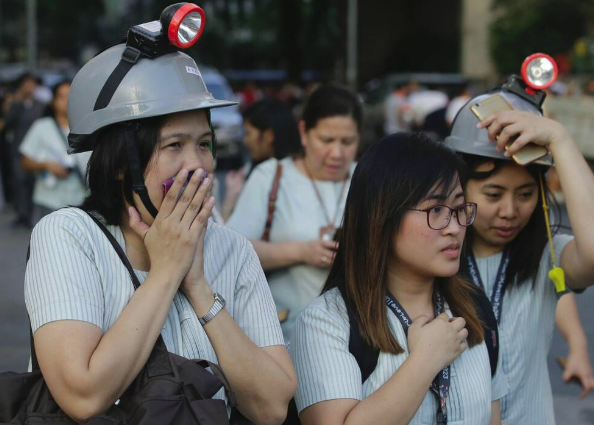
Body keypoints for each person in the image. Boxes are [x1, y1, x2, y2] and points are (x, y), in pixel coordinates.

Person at [24, 36, 296, 423]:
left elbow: (272, 407)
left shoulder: (233, 249)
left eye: (204, 144)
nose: (197, 164)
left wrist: (199, 289)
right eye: (174, 146)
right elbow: (82, 395)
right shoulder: (68, 235)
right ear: (121, 163)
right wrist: (167, 272)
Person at [290, 133, 506, 425]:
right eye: (436, 210)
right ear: (382, 217)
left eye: (459, 208)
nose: (454, 227)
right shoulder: (326, 322)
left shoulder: (474, 309)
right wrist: (425, 361)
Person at [445, 83, 594, 424]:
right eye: (494, 194)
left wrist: (561, 140)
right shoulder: (432, 254)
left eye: (526, 194)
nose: (510, 211)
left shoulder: (548, 253)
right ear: (458, 187)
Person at [226, 84, 361, 341]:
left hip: (356, 336)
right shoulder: (272, 176)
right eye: (326, 140)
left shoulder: (368, 177)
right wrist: (300, 252)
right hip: (283, 334)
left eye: (347, 142)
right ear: (304, 133)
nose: (337, 153)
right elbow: (232, 249)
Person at [20, 80, 91, 225]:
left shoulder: (89, 128)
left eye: (70, 96)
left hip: (83, 202)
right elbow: (25, 162)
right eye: (61, 97)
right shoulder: (42, 127)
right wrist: (46, 165)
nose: (66, 101)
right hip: (49, 201)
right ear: (53, 101)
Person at [222, 98, 301, 221]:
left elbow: (235, 232)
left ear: (269, 136)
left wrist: (229, 202)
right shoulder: (303, 171)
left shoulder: (262, 175)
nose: (245, 140)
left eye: (248, 133)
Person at [3, 73, 46, 227]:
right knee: (19, 181)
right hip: (19, 149)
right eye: (26, 84)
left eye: (31, 84)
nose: (29, 87)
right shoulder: (16, 104)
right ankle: (22, 214)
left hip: (38, 150)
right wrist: (17, 102)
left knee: (34, 182)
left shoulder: (42, 105)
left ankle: (33, 214)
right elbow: (8, 122)